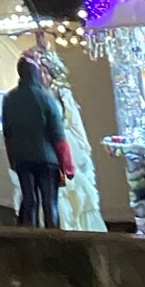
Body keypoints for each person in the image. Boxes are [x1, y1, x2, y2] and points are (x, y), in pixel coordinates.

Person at [27, 42, 105, 234]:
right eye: (39, 71)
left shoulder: (62, 95)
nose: (43, 76)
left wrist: (84, 148)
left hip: (66, 146)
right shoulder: (32, 96)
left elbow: (74, 123)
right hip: (45, 148)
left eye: (46, 72)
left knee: (76, 193)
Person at [1, 55, 70, 228]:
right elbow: (58, 136)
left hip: (22, 159)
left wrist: (12, 160)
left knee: (30, 200)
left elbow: (7, 133)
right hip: (48, 160)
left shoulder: (9, 99)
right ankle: (53, 240)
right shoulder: (47, 99)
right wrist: (67, 166)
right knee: (50, 203)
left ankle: (29, 240)